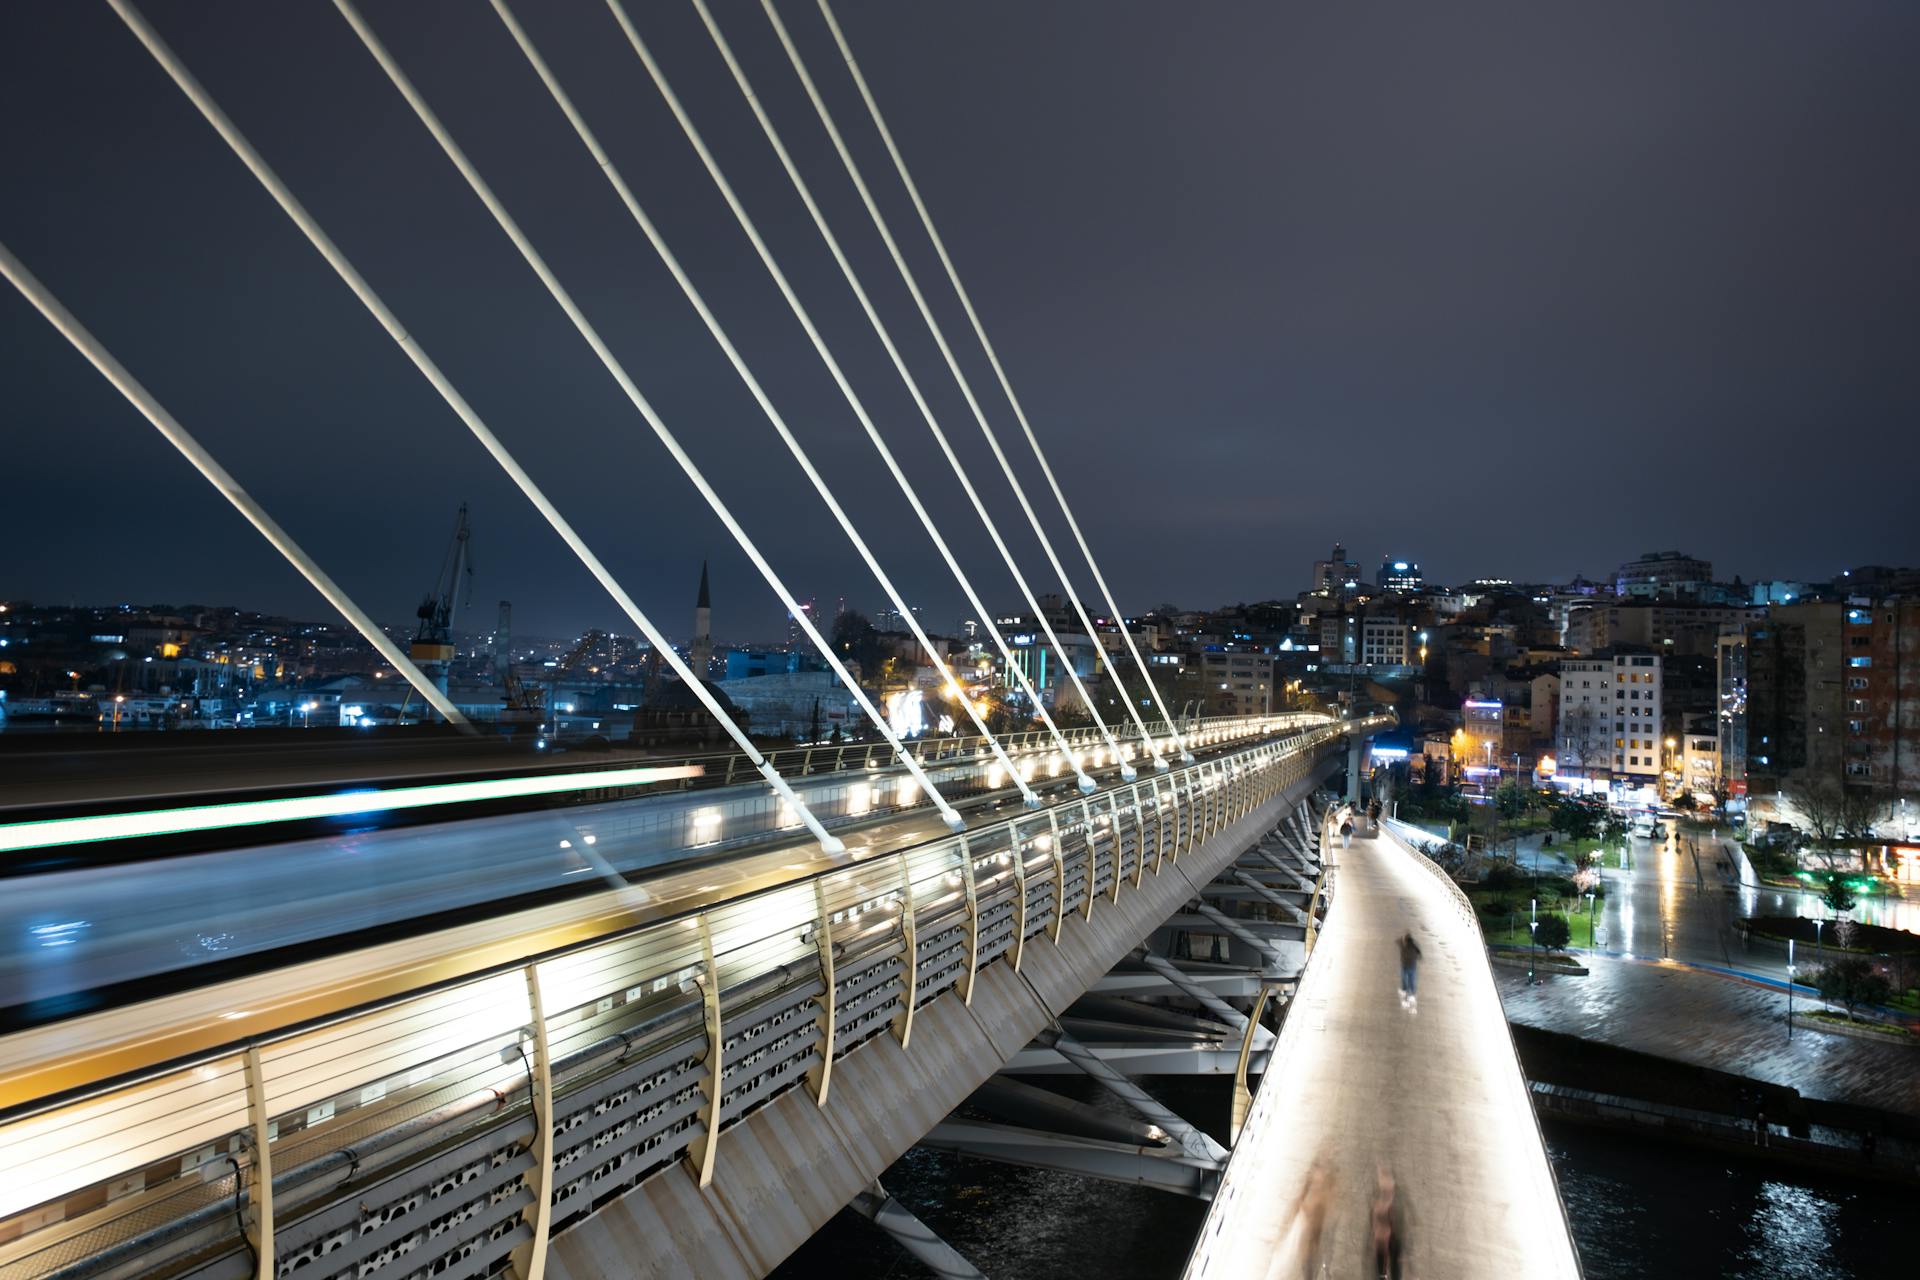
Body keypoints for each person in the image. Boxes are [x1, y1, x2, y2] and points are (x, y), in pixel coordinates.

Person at [1286, 1158, 1336, 1280]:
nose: (1317, 1177)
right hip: (1307, 1243)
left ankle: (1324, 1270)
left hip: (1316, 1240)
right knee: (1308, 1269)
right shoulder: (1307, 1192)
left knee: (1314, 1266)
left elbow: (1327, 1216)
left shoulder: (1323, 1195)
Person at [1368, 1165, 1407, 1280]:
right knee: (1382, 1272)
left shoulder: (1394, 1205)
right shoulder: (1377, 1204)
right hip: (1382, 1243)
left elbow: (1398, 1227)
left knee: (1393, 1269)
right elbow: (1374, 1223)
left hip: (1391, 1242)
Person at [1396, 931, 1422, 1011]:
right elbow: (1419, 954)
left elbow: (1398, 941)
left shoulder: (1403, 945)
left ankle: (1406, 993)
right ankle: (1411, 995)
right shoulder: (1414, 946)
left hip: (1405, 966)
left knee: (1405, 980)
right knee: (1411, 981)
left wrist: (1403, 938)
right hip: (1412, 966)